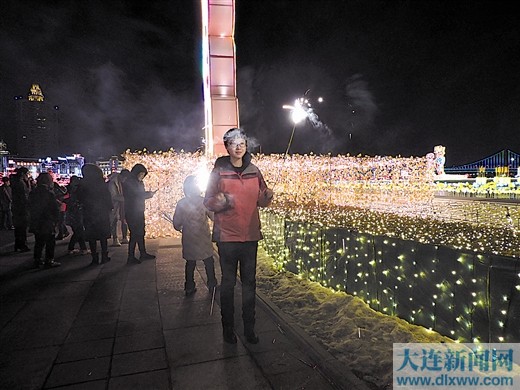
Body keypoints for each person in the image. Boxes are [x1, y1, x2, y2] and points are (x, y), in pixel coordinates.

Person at [204, 128, 273, 344]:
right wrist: (222, 202)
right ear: (227, 147)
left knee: (249, 284)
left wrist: (267, 197)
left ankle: (249, 328)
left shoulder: (254, 171)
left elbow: (261, 200)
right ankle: (228, 328)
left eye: (242, 142)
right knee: (228, 283)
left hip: (250, 236)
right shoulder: (218, 172)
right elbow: (207, 201)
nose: (238, 146)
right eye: (233, 143)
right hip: (227, 237)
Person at [173, 175, 218, 296]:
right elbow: (213, 217)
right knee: (208, 261)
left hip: (189, 237)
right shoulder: (204, 202)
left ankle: (189, 286)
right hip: (203, 237)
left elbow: (176, 223)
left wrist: (180, 227)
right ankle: (212, 283)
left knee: (190, 263)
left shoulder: (182, 203)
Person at [77, 164, 113, 266]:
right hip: (101, 212)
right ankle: (104, 256)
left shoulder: (83, 184)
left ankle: (94, 258)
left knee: (92, 237)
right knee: (102, 236)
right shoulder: (101, 183)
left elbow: (79, 197)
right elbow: (107, 197)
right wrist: (109, 208)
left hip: (89, 213)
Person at [122, 164, 157, 264]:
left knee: (141, 232)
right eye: (141, 174)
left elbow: (139, 194)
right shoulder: (130, 182)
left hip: (139, 210)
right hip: (132, 211)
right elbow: (135, 195)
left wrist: (147, 194)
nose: (142, 176)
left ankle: (143, 253)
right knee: (134, 234)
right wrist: (148, 194)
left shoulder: (138, 182)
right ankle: (131, 257)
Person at [28, 172, 60, 268]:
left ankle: (37, 260)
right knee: (50, 242)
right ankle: (49, 260)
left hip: (36, 220)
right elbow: (54, 208)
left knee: (39, 242)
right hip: (47, 220)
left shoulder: (33, 192)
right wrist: (56, 220)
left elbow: (29, 205)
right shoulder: (48, 193)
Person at [65, 175, 88, 255]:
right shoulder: (76, 190)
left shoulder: (69, 189)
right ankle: (72, 248)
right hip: (76, 212)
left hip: (72, 212)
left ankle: (83, 248)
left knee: (79, 231)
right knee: (78, 231)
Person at [10, 167, 31, 252]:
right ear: (23, 174)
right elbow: (25, 195)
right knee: (22, 227)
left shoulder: (15, 181)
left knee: (18, 228)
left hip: (16, 207)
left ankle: (18, 245)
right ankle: (22, 245)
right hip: (22, 208)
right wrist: (28, 183)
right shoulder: (21, 183)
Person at [108, 169, 129, 246]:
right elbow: (113, 196)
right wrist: (127, 198)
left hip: (122, 203)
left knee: (124, 219)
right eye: (125, 178)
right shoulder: (113, 182)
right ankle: (115, 238)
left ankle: (124, 237)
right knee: (115, 220)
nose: (125, 180)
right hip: (115, 204)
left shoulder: (121, 182)